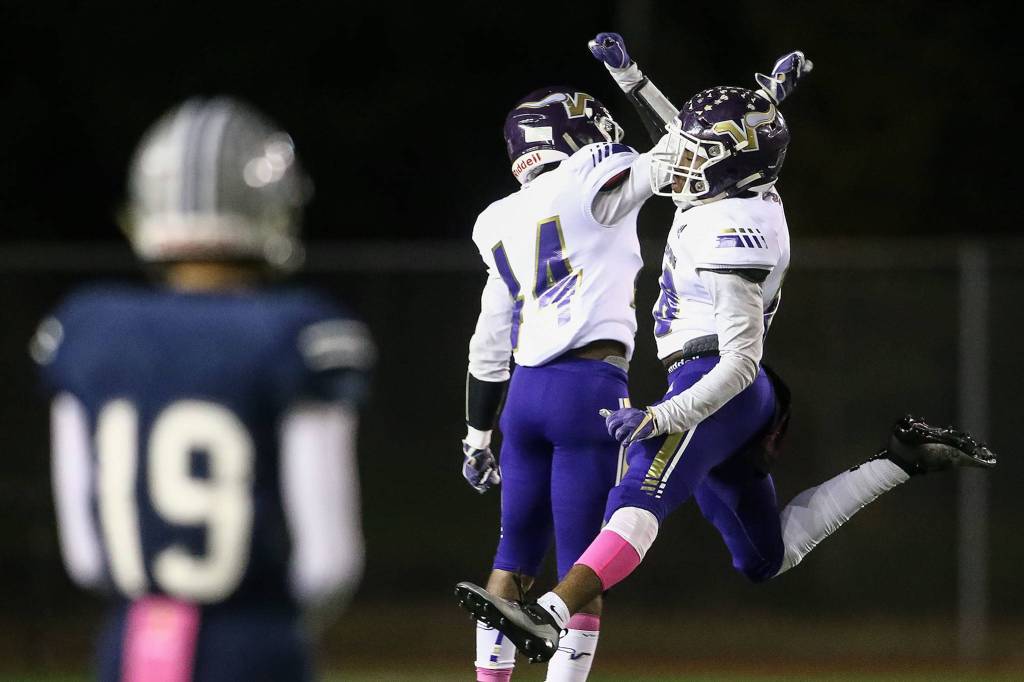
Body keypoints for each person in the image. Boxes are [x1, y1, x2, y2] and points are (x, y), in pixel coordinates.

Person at [456, 34, 997, 663]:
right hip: (719, 391)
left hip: (716, 383)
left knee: (636, 502)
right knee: (765, 558)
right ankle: (900, 459)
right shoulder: (734, 185)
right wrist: (650, 81)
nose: (687, 158)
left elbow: (739, 363)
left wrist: (663, 415)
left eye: (704, 152)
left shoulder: (738, 227)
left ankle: (551, 612)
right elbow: (699, 140)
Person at [31, 97, 373, 682]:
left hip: (131, 643)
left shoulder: (83, 328)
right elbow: (327, 562)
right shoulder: (300, 331)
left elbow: (87, 557)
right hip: (253, 644)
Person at [460, 80, 674, 681]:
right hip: (590, 391)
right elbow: (678, 152)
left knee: (511, 561)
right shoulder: (591, 171)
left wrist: (477, 437)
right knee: (579, 574)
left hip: (523, 398)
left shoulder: (497, 219)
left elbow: (489, 339)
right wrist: (636, 83)